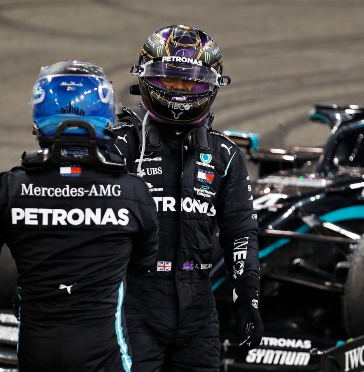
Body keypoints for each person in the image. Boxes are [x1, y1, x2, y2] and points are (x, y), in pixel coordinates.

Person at [0, 60, 159, 371]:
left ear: (38, 116)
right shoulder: (134, 193)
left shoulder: (6, 188)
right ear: (106, 115)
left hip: (35, 351)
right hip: (103, 351)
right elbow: (144, 267)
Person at [112, 25, 262, 371]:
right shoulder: (119, 145)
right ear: (146, 77)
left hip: (197, 304)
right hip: (132, 300)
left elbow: (241, 230)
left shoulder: (225, 155)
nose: (179, 90)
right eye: (170, 81)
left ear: (211, 84)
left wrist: (248, 294)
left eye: (190, 83)